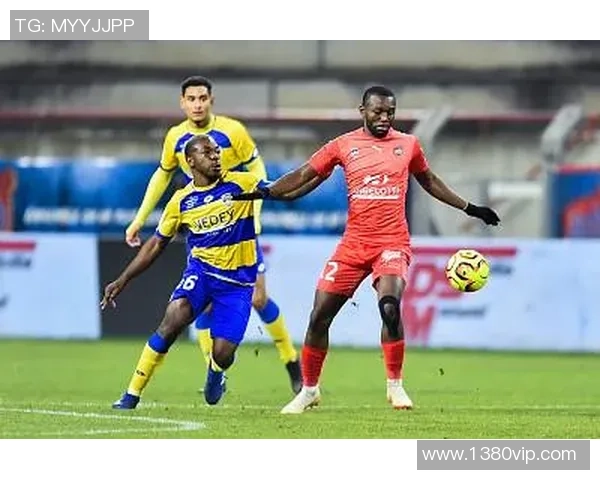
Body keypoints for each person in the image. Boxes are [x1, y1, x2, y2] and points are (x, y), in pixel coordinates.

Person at [233, 85, 501, 414]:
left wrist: (470, 208)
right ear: (363, 111)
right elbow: (304, 175)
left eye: (390, 112)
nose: (385, 117)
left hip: (392, 242)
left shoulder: (408, 144)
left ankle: (395, 386)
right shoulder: (343, 145)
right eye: (378, 111)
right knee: (319, 317)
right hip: (353, 244)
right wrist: (268, 191)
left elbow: (429, 181)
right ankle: (309, 391)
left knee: (390, 306)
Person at [124, 76, 302, 394]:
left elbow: (256, 168)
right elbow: (163, 176)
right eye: (191, 99)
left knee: (259, 297)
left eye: (202, 98)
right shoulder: (175, 137)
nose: (197, 104)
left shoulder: (233, 131)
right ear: (182, 103)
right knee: (202, 303)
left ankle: (291, 362)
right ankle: (214, 369)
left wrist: (255, 209)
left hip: (240, 225)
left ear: (211, 100)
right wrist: (139, 219)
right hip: (204, 227)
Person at [104, 134, 271, 409]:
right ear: (190, 160)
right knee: (173, 317)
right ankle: (131, 394)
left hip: (237, 284)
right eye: (208, 152)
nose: (215, 156)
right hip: (202, 273)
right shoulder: (181, 201)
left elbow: (279, 190)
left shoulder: (242, 183)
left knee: (223, 353)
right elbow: (156, 244)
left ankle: (216, 370)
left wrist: (313, 173)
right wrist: (123, 279)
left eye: (217, 151)